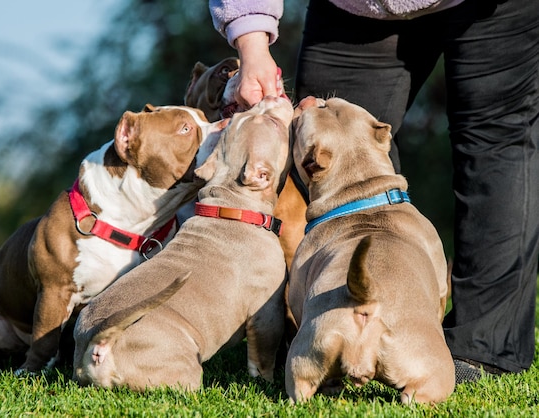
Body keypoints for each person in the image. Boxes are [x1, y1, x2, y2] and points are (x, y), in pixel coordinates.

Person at [209, 0, 539, 384]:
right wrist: (252, 44)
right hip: (357, 9)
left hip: (492, 10)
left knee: (497, 145)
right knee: (323, 141)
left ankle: (483, 348)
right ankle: (334, 328)